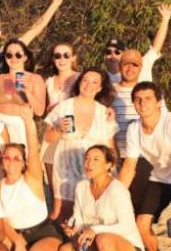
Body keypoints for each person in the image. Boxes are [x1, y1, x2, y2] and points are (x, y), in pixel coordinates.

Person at [58, 145, 144, 251]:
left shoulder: (117, 190)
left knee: (104, 239)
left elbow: (127, 226)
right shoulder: (81, 187)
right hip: (95, 247)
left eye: (96, 159)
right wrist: (72, 227)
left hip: (126, 250)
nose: (89, 163)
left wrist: (95, 229)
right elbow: (78, 217)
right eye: (87, 159)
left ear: (109, 165)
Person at [0, 109, 68, 251]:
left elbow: (33, 150)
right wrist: (17, 240)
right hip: (17, 233)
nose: (11, 162)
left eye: (16, 158)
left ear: (23, 162)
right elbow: (2, 220)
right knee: (0, 250)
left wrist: (28, 121)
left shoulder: (31, 178)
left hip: (42, 230)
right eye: (7, 158)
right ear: (2, 161)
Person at [118, 82, 171, 251]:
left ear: (159, 102)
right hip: (160, 179)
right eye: (137, 100)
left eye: (148, 98)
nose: (142, 103)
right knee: (141, 223)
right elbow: (129, 168)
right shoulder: (134, 129)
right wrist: (115, 197)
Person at [44, 69, 117, 222]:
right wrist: (58, 129)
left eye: (94, 82)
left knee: (90, 215)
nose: (89, 85)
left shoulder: (104, 113)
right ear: (79, 82)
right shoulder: (64, 106)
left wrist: (113, 172)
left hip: (93, 171)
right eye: (85, 80)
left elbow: (110, 147)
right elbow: (48, 138)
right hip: (66, 169)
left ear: (100, 88)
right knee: (60, 214)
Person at [104, 3, 171, 85]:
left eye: (117, 52)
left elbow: (156, 47)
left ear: (124, 55)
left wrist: (165, 20)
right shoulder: (100, 78)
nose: (113, 56)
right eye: (108, 52)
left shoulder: (140, 65)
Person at [0, 39, 46, 147]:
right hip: (0, 125)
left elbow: (40, 111)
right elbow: (0, 101)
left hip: (22, 126)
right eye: (9, 55)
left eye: (18, 55)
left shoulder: (35, 78)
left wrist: (27, 92)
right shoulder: (1, 78)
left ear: (25, 57)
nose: (13, 58)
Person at [42, 42, 81, 183]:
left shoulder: (81, 78)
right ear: (53, 59)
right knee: (53, 185)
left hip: (73, 136)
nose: (62, 59)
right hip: (52, 134)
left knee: (74, 184)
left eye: (66, 55)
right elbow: (43, 111)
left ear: (73, 58)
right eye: (57, 56)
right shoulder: (49, 82)